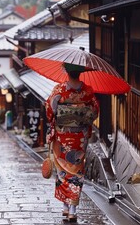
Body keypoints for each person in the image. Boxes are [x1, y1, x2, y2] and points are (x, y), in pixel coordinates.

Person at [45, 63, 99, 223]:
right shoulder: (88, 91)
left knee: (63, 169)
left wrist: (61, 112)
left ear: (66, 72)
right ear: (80, 73)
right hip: (79, 136)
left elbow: (50, 110)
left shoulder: (59, 90)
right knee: (76, 169)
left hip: (62, 135)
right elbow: (95, 111)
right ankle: (72, 209)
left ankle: (66, 207)